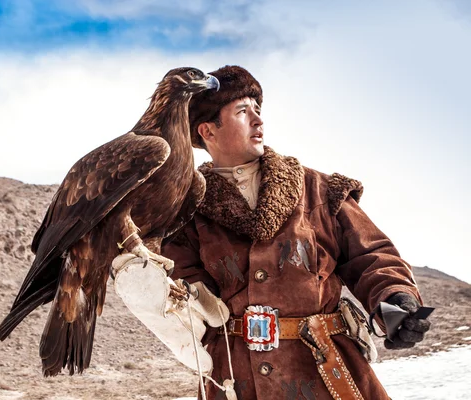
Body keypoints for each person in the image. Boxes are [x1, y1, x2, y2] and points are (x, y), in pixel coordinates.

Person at [161, 65, 431, 400]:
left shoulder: (319, 189)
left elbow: (372, 256)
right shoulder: (187, 210)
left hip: (325, 371)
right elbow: (179, 286)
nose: (258, 121)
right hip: (235, 377)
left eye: (258, 111)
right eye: (243, 112)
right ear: (208, 131)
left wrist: (395, 298)